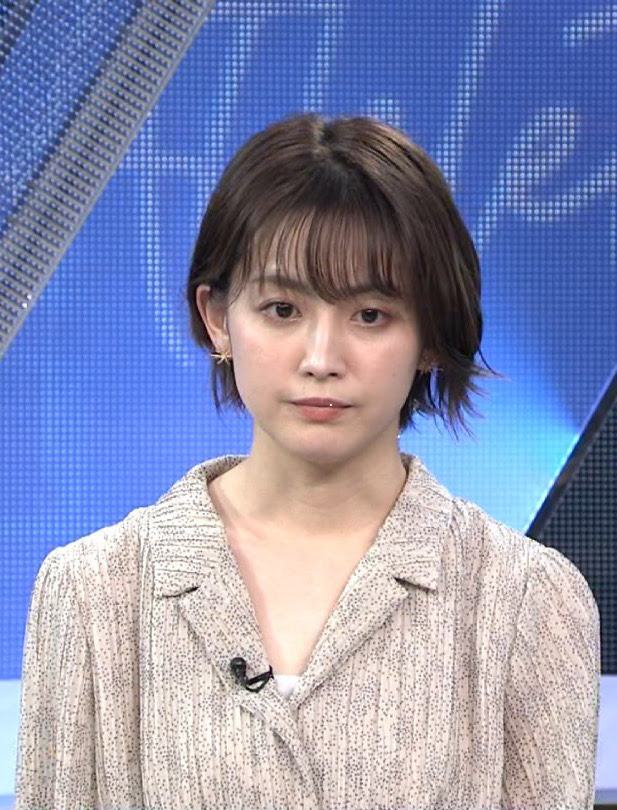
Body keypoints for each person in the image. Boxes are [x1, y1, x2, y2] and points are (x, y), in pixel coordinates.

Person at [15, 112, 600, 809]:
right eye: (282, 309)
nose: (322, 359)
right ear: (217, 318)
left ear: (430, 335)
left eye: (370, 315)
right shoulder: (92, 592)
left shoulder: (525, 600)